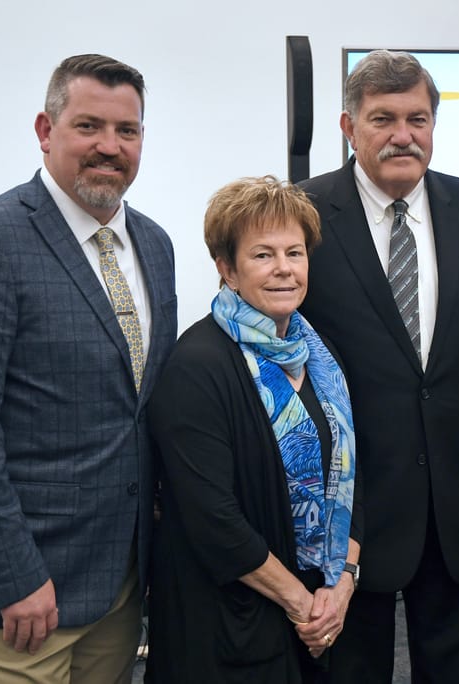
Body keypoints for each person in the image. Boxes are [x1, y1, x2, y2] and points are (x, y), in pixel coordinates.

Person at [0, 54, 177, 683]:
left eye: (127, 131)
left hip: (118, 579)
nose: (109, 147)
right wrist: (16, 573)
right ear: (45, 130)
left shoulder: (155, 244)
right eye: (89, 126)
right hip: (22, 593)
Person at [299, 50, 459, 683]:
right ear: (349, 128)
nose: (403, 135)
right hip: (344, 513)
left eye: (417, 118)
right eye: (383, 119)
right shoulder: (302, 215)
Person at [145, 176, 361, 683]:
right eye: (263, 255)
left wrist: (342, 583)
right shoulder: (197, 365)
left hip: (317, 611)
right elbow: (212, 519)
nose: (284, 268)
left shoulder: (320, 354)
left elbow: (351, 472)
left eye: (295, 252)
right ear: (228, 270)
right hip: (229, 622)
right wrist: (302, 603)